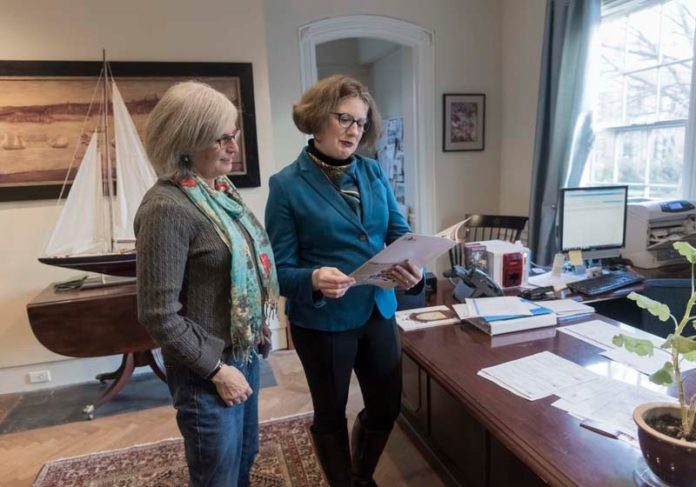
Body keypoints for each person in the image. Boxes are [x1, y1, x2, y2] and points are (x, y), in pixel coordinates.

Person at [265, 75, 423, 487]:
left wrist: (414, 266)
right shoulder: (285, 185)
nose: (355, 130)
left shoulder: (372, 172)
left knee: (387, 407)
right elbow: (278, 271)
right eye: (345, 119)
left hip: (376, 308)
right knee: (331, 413)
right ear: (318, 118)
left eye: (361, 122)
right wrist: (314, 278)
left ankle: (361, 473)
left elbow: (399, 233)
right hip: (323, 322)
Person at [135, 81, 278, 487]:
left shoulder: (220, 193)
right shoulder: (167, 207)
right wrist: (217, 371)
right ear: (187, 141)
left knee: (243, 461)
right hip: (206, 373)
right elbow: (158, 315)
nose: (234, 147)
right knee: (217, 477)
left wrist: (257, 326)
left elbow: (243, 270)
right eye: (222, 138)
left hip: (243, 354)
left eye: (233, 135)